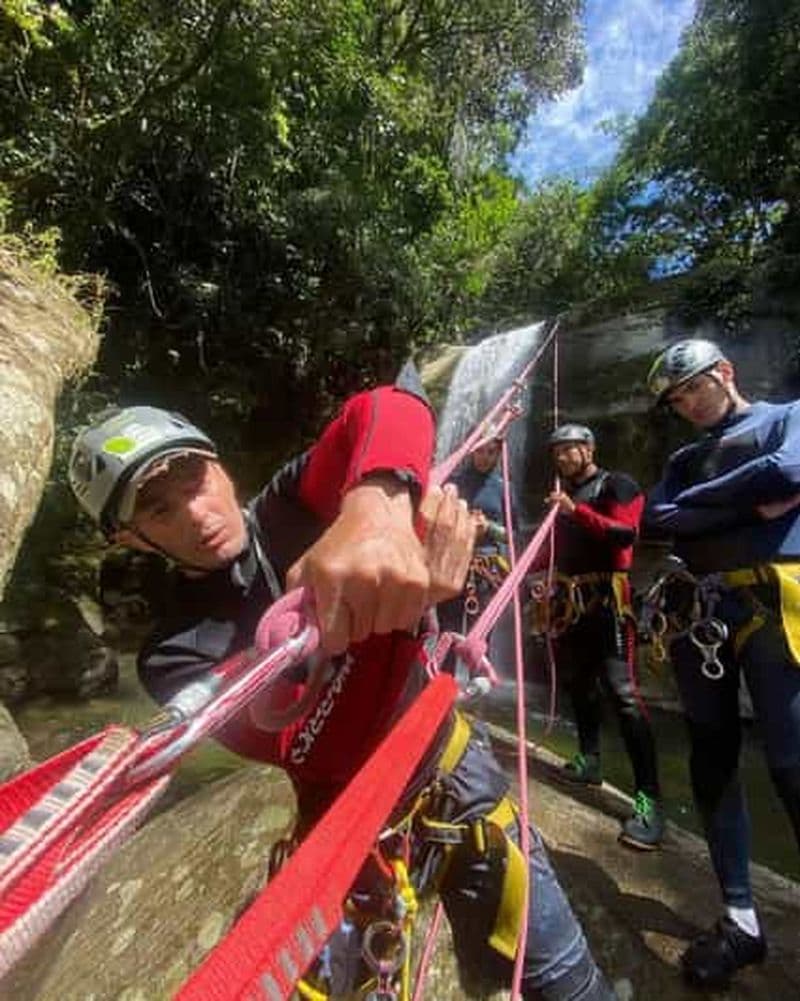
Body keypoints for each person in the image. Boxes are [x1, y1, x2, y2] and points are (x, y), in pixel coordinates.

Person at [69, 379, 615, 1001]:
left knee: (566, 984)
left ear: (219, 469)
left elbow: (389, 406)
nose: (196, 513)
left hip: (453, 773)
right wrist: (406, 614)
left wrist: (376, 509)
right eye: (160, 509)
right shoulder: (175, 653)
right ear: (132, 539)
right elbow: (313, 744)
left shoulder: (296, 502)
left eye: (194, 481)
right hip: (348, 833)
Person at [645, 338, 800, 989]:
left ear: (725, 373)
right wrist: (742, 500)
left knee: (793, 763)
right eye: (677, 400)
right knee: (712, 755)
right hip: (701, 615)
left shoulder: (788, 416)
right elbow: (660, 516)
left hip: (775, 602)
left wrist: (704, 508)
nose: (686, 405)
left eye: (693, 389)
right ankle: (741, 920)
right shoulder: (682, 457)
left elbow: (789, 473)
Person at [535, 423, 663, 850]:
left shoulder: (617, 484)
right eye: (556, 453)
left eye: (569, 450)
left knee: (623, 695)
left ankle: (648, 800)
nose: (562, 458)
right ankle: (589, 759)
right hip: (570, 601)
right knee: (578, 685)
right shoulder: (562, 501)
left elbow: (626, 534)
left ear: (589, 448)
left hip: (610, 601)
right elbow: (548, 549)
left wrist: (576, 512)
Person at [438, 437, 516, 675]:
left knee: (480, 637)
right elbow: (436, 523)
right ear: (471, 451)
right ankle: (440, 692)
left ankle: (476, 691)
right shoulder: (452, 482)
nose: (485, 457)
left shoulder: (504, 488)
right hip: (453, 565)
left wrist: (489, 528)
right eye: (480, 451)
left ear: (498, 454)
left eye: (491, 452)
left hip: (486, 570)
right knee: (447, 632)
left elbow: (514, 535)